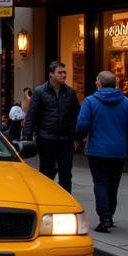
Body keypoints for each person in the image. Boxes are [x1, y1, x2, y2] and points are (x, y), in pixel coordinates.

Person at [75, 70, 128, 233]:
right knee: (113, 184)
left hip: (97, 150)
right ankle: (110, 216)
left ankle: (104, 218)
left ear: (99, 83)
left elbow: (82, 124)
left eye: (96, 80)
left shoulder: (90, 101)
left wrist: (79, 137)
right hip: (118, 150)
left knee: (100, 183)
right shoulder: (126, 102)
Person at [23, 60, 81, 193]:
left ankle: (66, 201)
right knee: (46, 172)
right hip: (46, 138)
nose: (63, 75)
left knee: (66, 173)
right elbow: (32, 114)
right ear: (51, 74)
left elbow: (76, 115)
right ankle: (46, 197)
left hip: (66, 139)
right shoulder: (40, 91)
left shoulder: (70, 92)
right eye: (60, 72)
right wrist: (26, 136)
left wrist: (76, 137)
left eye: (64, 72)